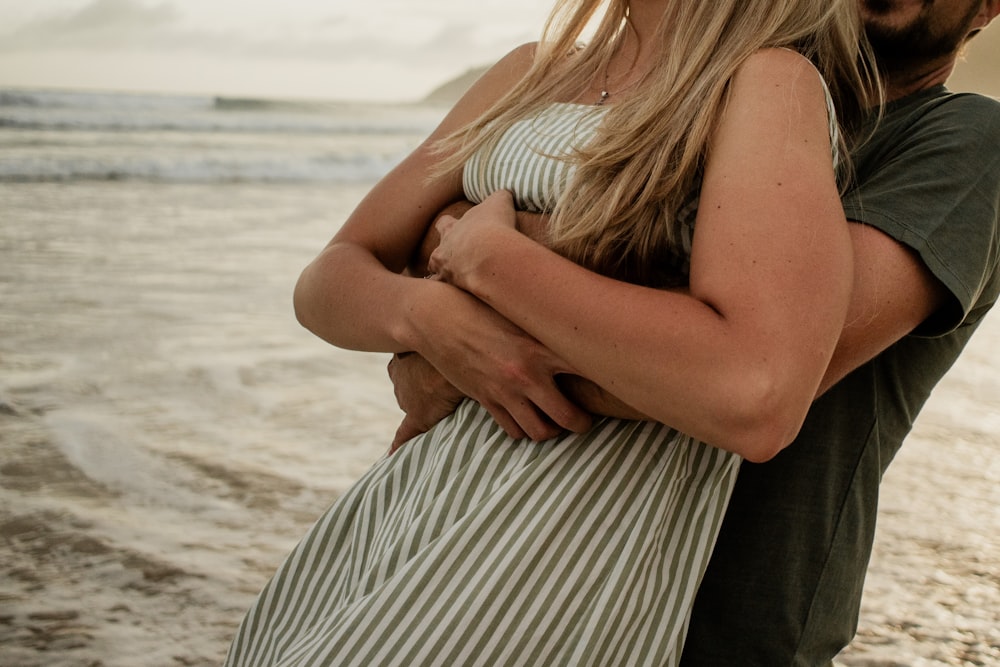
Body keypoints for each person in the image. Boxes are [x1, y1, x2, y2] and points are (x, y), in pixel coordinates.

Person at [224, 0, 878, 664]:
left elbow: (756, 392)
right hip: (398, 515)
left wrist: (489, 259)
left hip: (546, 562)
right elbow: (326, 282)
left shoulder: (766, 80)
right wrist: (431, 319)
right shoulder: (527, 74)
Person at [390, 0, 1000, 664]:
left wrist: (468, 323)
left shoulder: (967, 142)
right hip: (523, 578)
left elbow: (763, 370)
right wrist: (443, 308)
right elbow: (413, 249)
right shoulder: (710, 95)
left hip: (727, 620)